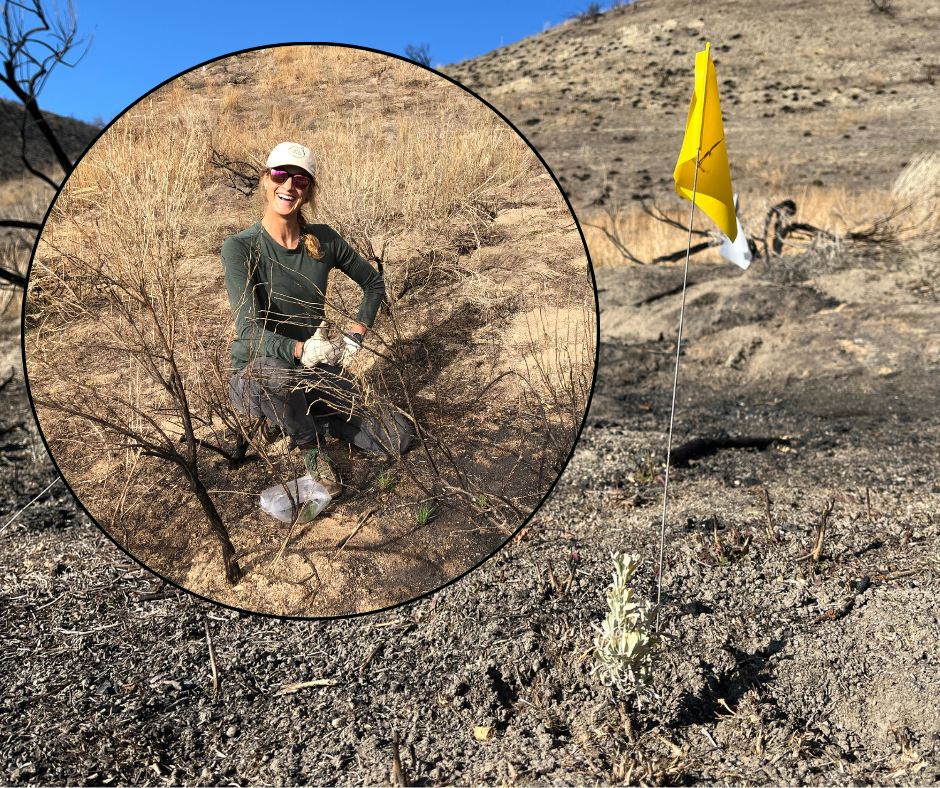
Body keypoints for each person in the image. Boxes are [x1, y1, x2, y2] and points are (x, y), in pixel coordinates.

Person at [221, 142, 412, 498]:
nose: (289, 185)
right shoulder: (240, 247)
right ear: (265, 180)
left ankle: (307, 421)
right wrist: (299, 349)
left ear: (308, 192)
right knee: (278, 378)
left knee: (397, 436)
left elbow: (373, 283)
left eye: (301, 180)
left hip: (315, 369)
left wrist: (355, 336)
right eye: (280, 174)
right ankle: (311, 450)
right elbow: (248, 332)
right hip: (258, 374)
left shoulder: (324, 239)